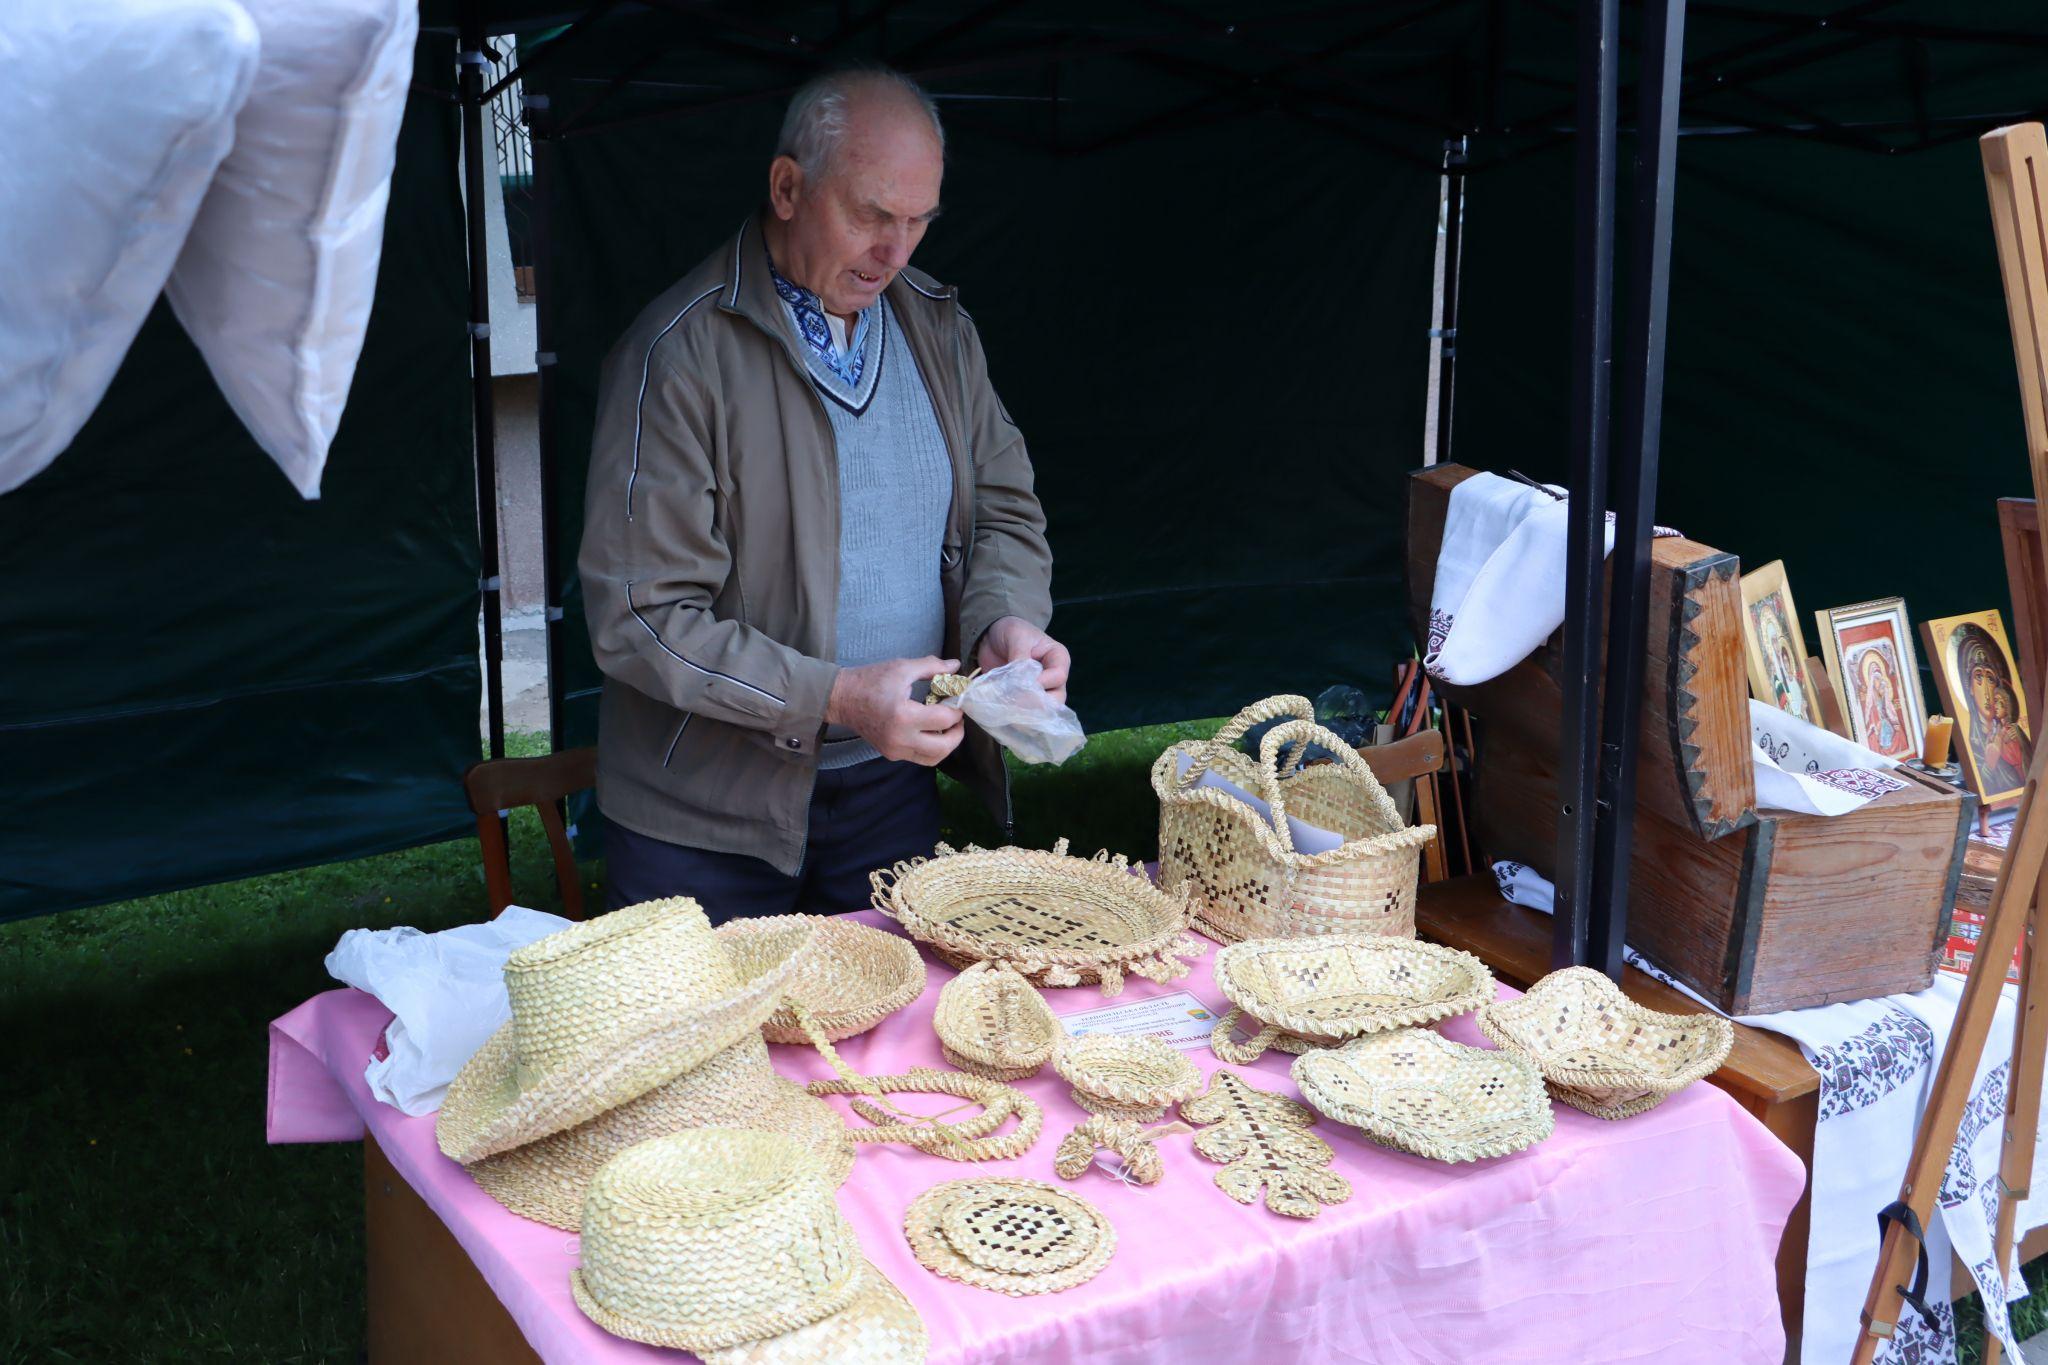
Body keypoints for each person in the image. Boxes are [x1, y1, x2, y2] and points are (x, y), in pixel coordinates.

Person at [578, 66, 1065, 922]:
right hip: (703, 822)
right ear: (788, 187)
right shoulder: (679, 356)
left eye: (919, 221)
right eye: (873, 215)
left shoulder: (939, 327)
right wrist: (834, 699)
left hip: (890, 789)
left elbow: (1003, 509)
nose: (897, 250)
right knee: (710, 1054)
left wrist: (1003, 621)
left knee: (894, 1051)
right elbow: (641, 615)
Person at [1954, 624, 2028, 794]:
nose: (1988, 692)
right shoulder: (1972, 742)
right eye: (1978, 677)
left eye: (1991, 679)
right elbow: (1983, 788)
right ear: (1969, 688)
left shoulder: (2010, 733)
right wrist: (1989, 764)